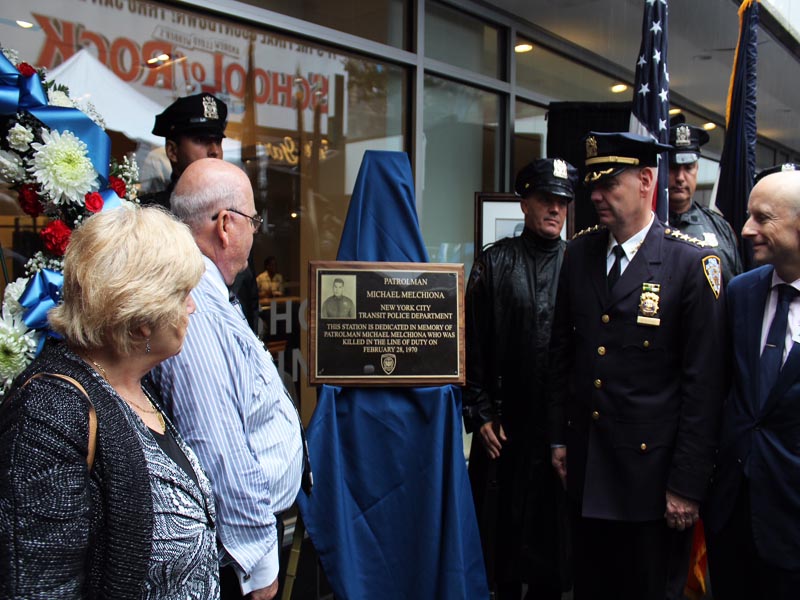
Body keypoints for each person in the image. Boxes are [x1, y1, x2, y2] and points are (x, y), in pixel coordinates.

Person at [0, 206, 217, 599]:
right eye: (183, 296)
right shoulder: (49, 411)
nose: (192, 308)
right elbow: (39, 585)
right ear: (142, 320)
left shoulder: (128, 383)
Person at [547, 132, 727, 600]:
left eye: (609, 184)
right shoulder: (580, 253)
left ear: (647, 180)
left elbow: (703, 387)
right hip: (586, 476)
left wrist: (686, 486)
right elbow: (562, 355)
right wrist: (560, 438)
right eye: (593, 184)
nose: (594, 196)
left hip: (650, 487)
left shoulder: (690, 264)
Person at [153, 158, 308, 600]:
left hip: (239, 537)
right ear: (226, 224)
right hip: (235, 554)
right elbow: (215, 445)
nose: (255, 232)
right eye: (253, 220)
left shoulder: (207, 290)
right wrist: (260, 565)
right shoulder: (193, 304)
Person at [463, 157, 577, 600]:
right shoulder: (494, 264)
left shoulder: (579, 265)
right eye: (546, 200)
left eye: (563, 202)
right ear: (524, 202)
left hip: (558, 434)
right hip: (504, 431)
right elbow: (470, 346)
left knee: (553, 551)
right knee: (501, 547)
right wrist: (480, 411)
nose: (555, 210)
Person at [705, 165, 800, 599]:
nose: (745, 230)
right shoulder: (741, 292)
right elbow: (716, 390)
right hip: (731, 515)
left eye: (762, 218)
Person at [667, 118, 743, 284]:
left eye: (688, 168)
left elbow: (734, 286)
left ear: (697, 170)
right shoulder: (647, 222)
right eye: (673, 168)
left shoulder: (720, 227)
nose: (680, 178)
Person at [139, 93, 227, 209]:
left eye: (218, 141)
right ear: (172, 152)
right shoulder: (150, 214)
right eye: (201, 139)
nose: (215, 151)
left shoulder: (233, 208)